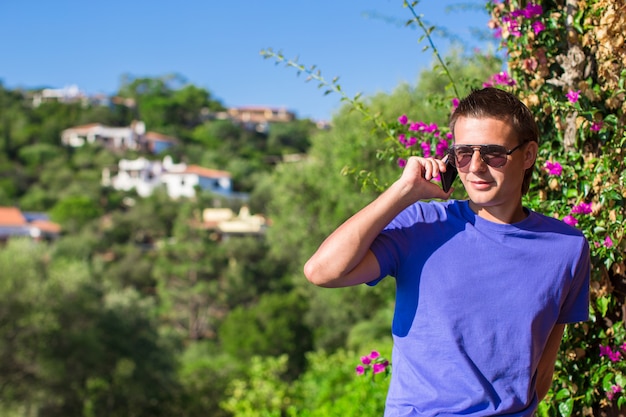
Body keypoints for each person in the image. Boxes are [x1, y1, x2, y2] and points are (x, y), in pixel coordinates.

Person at [303, 87, 590, 416]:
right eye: (464, 154)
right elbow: (322, 271)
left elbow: (542, 369)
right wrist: (404, 191)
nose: (476, 167)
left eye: (494, 153)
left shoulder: (567, 247)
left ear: (528, 155)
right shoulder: (420, 224)